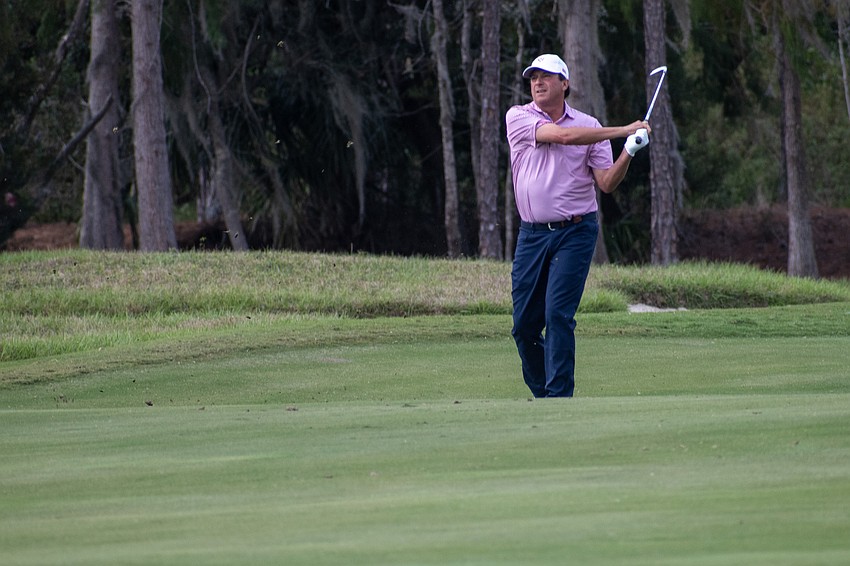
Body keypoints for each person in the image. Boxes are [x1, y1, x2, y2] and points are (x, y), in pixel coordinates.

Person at [506, 53, 650, 398]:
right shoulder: (519, 117)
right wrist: (625, 129)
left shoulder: (590, 125)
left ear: (564, 83)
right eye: (533, 77)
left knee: (557, 315)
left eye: (546, 77)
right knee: (524, 327)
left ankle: (559, 399)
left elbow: (606, 183)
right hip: (532, 235)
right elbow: (565, 137)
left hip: (575, 232)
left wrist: (628, 150)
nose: (538, 83)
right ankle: (545, 394)